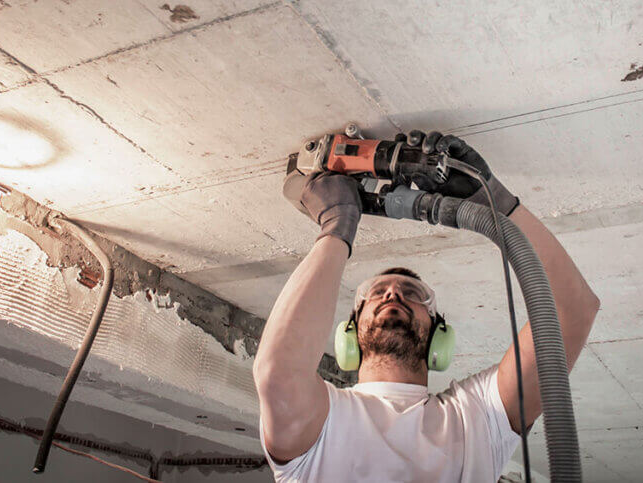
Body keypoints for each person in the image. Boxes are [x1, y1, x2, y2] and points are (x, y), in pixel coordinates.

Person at [253, 130, 600, 482]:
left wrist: (495, 203)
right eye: (377, 293)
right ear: (350, 334)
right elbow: (279, 376)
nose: (393, 295)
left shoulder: (479, 415)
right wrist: (338, 224)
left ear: (439, 336)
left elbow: (573, 309)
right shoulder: (327, 417)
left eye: (412, 293)